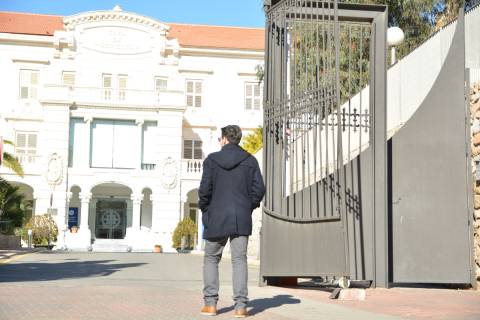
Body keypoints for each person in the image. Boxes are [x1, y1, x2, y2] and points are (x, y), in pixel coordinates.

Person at [198, 125, 265, 318]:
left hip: (216, 216)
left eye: (220, 139)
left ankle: (210, 305)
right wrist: (248, 206)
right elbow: (259, 189)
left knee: (211, 258)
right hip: (240, 217)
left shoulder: (211, 160)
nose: (220, 142)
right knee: (239, 260)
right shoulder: (250, 161)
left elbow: (204, 190)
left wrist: (206, 208)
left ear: (225, 139)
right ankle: (241, 307)